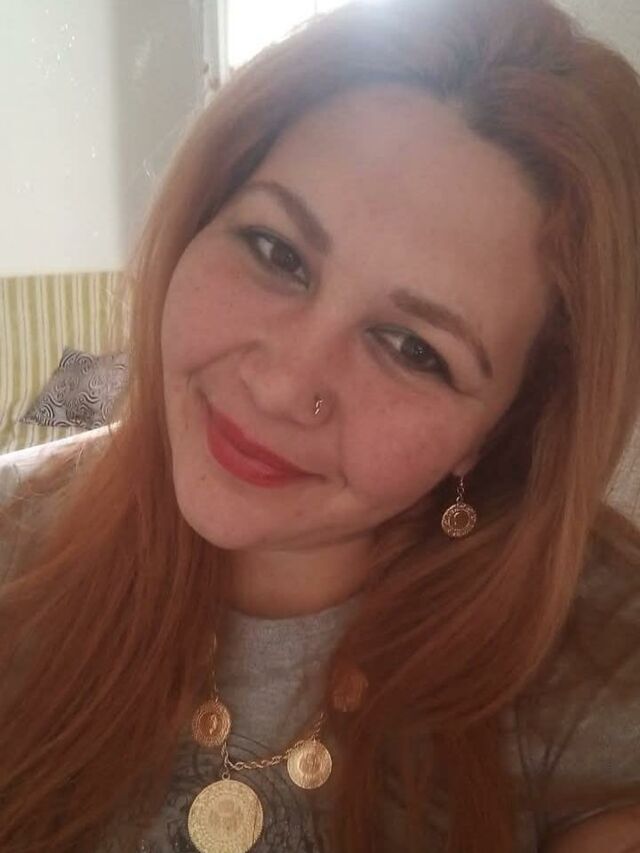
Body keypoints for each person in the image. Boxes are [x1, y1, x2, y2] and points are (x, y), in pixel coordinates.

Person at [2, 0, 640, 850]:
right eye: (277, 251)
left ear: (506, 427)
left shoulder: (601, 681)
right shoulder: (16, 545)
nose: (280, 384)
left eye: (414, 347)